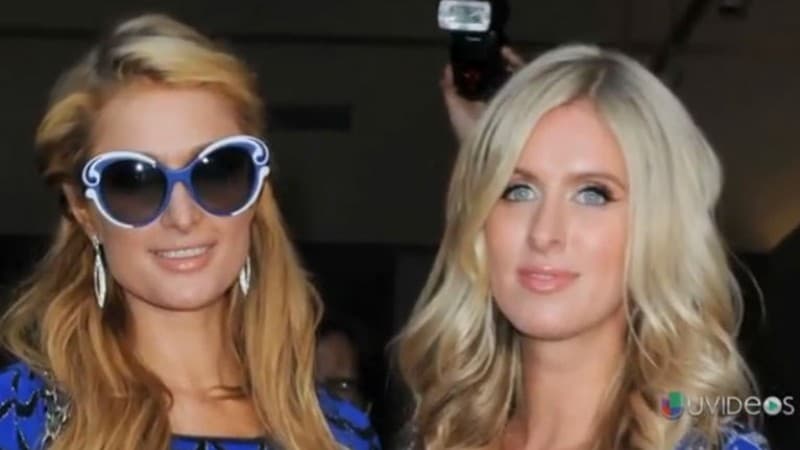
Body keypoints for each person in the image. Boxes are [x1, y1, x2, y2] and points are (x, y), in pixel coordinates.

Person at [0, 14, 380, 450]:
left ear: (257, 191)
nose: (182, 216)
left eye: (217, 171)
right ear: (84, 210)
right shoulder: (21, 418)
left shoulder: (338, 434)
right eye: (134, 182)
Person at [396, 44, 770, 449]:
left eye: (593, 194)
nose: (544, 233)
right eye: (518, 190)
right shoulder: (439, 437)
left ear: (659, 225)